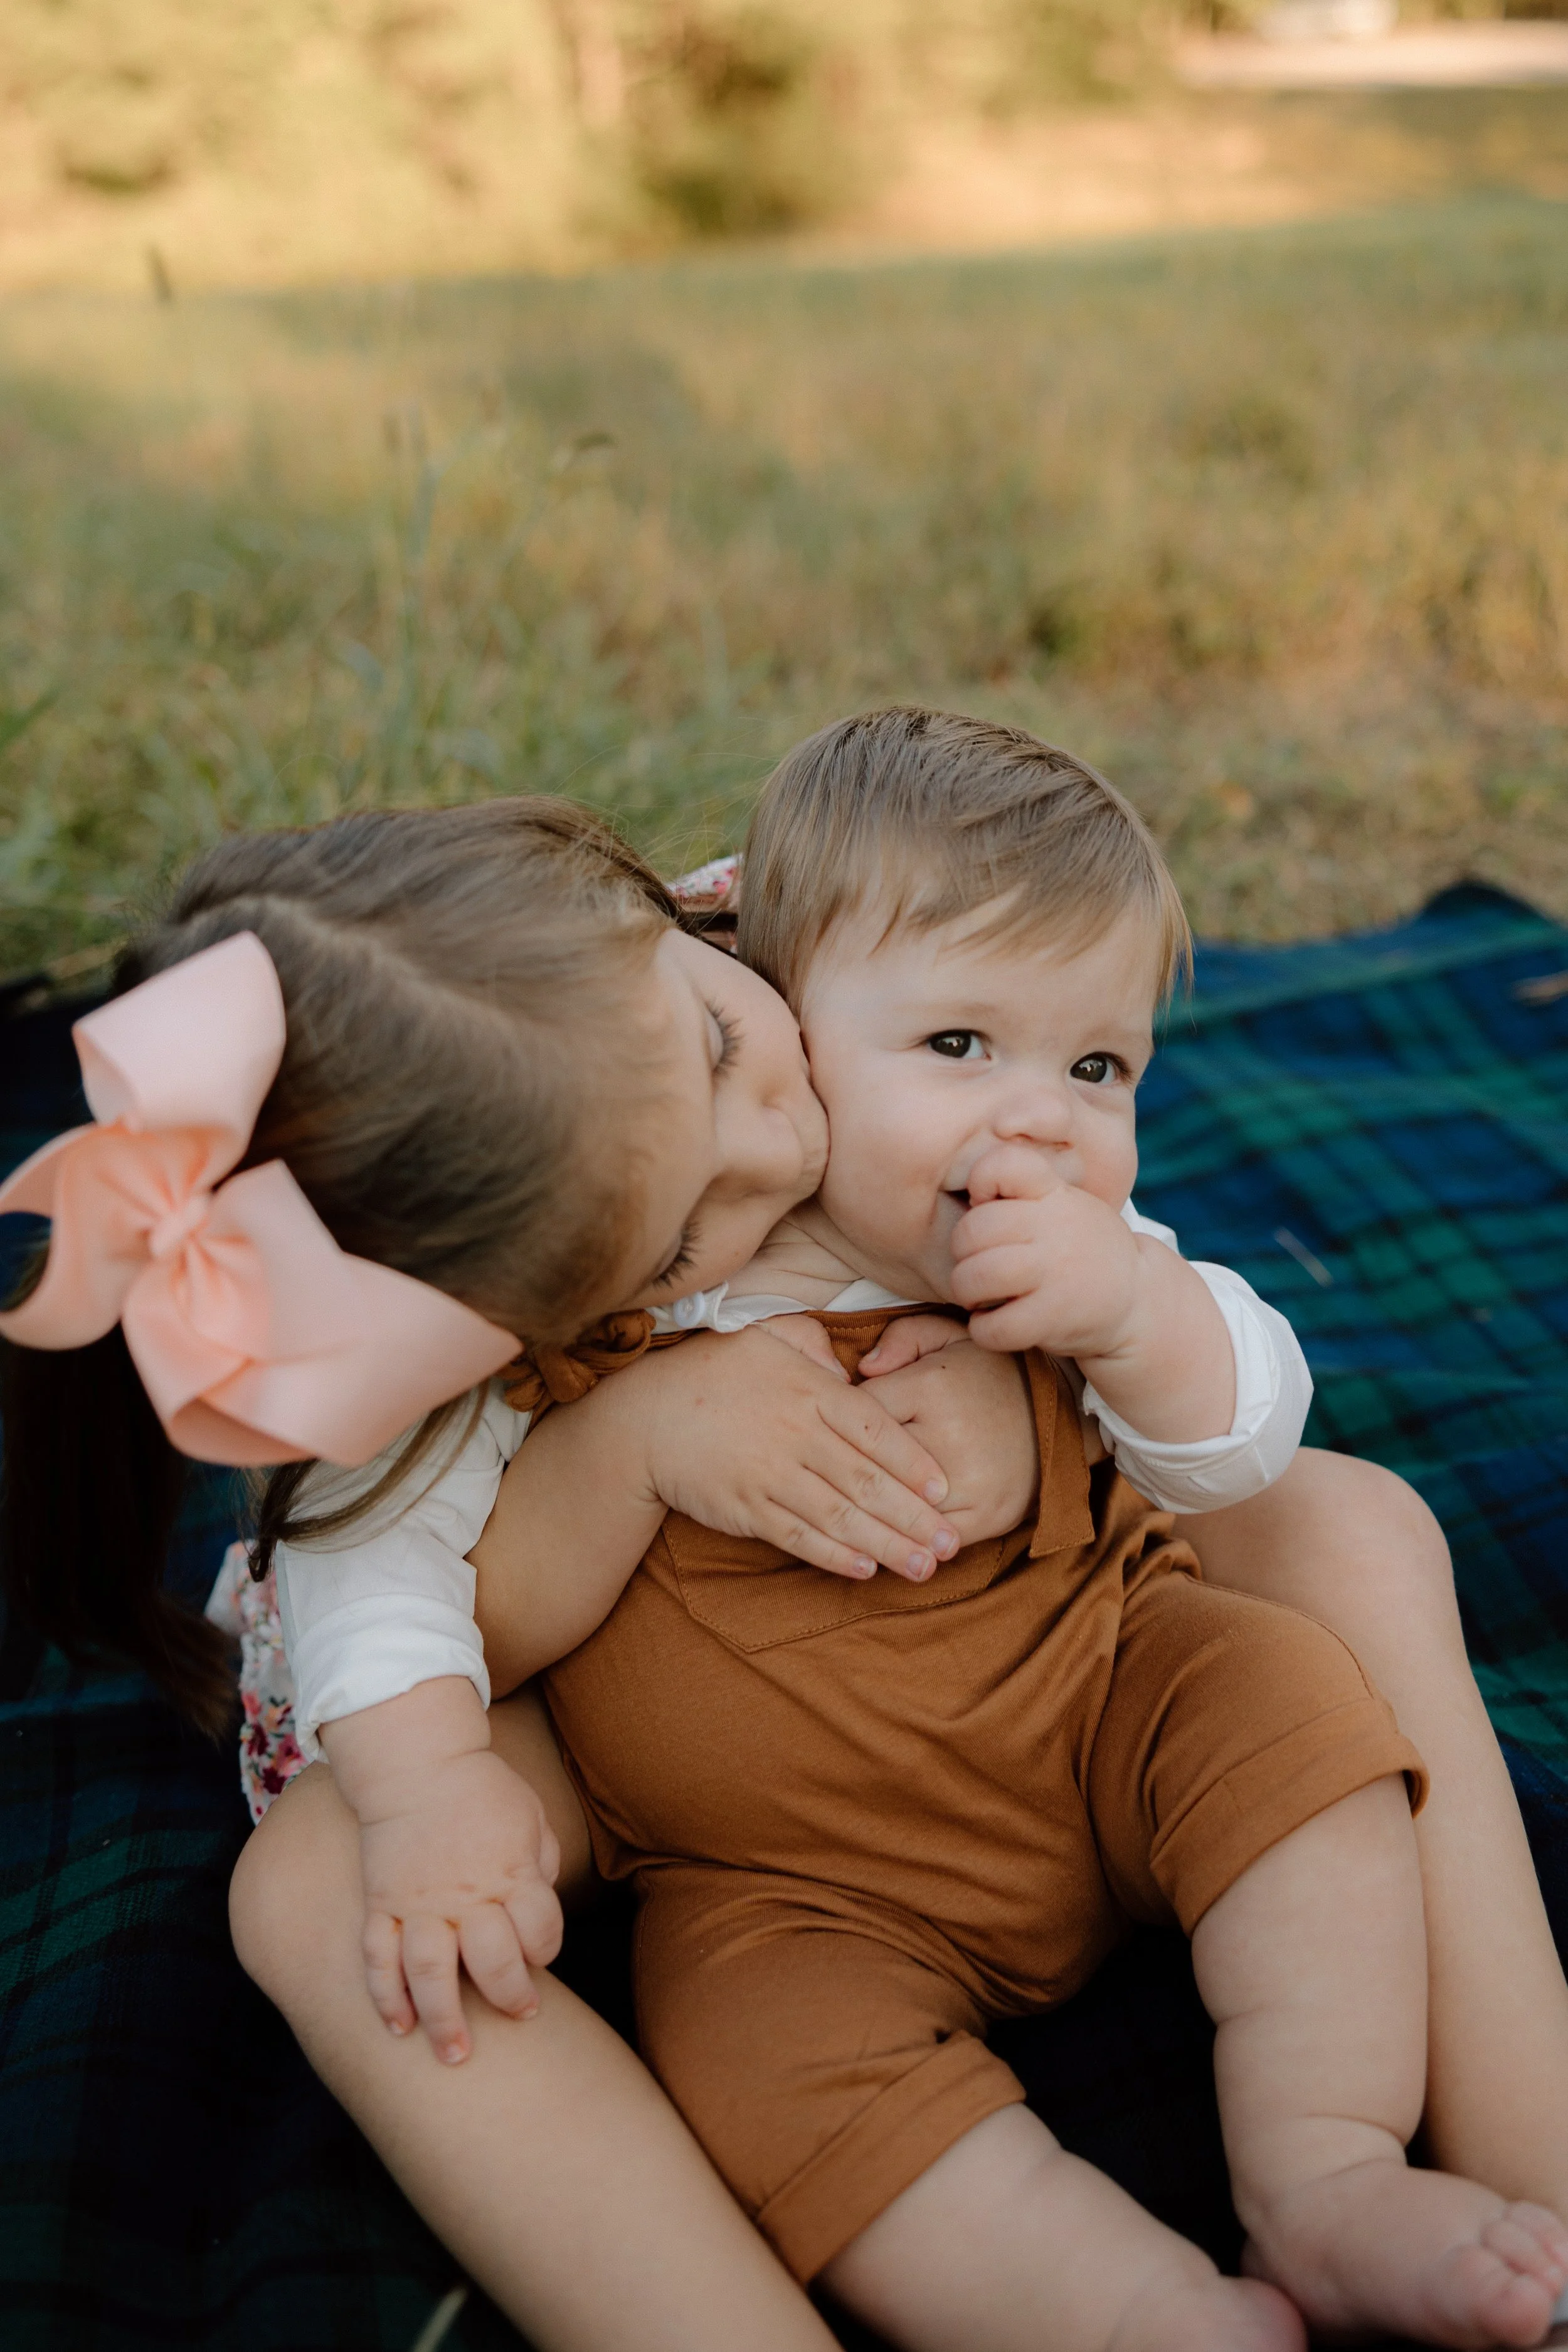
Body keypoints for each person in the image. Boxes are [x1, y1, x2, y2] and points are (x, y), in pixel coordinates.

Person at [455, 711, 1568, 2348]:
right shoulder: (636, 1251)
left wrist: (1132, 1313)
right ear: (774, 1010)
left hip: (1109, 1709)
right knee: (762, 2059)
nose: (1036, 1118)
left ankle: (1321, 2172)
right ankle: (1133, 2311)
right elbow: (453, 1596)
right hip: (786, 1877)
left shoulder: (1072, 1244)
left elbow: (1245, 1426)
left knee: (1286, 1718)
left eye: (1094, 1064)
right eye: (959, 1044)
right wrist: (638, 1443)